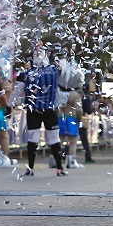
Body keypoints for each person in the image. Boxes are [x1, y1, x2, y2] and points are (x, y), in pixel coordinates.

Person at [21, 42, 68, 178]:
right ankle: (59, 168)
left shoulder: (27, 73)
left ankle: (31, 168)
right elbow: (64, 68)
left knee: (35, 139)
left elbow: (18, 91)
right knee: (52, 138)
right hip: (47, 109)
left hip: (35, 110)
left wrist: (10, 104)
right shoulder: (54, 69)